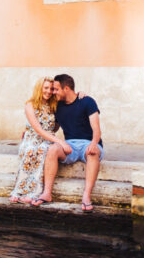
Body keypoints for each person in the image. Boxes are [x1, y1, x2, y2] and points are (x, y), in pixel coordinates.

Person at [33, 74, 103, 212]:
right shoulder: (57, 105)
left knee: (93, 153)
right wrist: (32, 131)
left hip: (88, 143)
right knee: (52, 149)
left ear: (66, 88)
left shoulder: (87, 102)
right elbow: (53, 126)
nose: (53, 92)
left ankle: (86, 196)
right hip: (69, 144)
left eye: (56, 89)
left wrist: (94, 143)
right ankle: (47, 193)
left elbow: (96, 128)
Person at [9, 77, 72, 203]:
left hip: (47, 139)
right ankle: (20, 191)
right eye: (46, 88)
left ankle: (34, 192)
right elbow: (38, 129)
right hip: (32, 138)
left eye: (51, 89)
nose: (49, 91)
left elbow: (57, 123)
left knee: (43, 149)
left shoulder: (54, 106)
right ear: (39, 89)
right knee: (31, 150)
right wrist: (61, 142)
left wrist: (81, 94)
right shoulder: (30, 105)